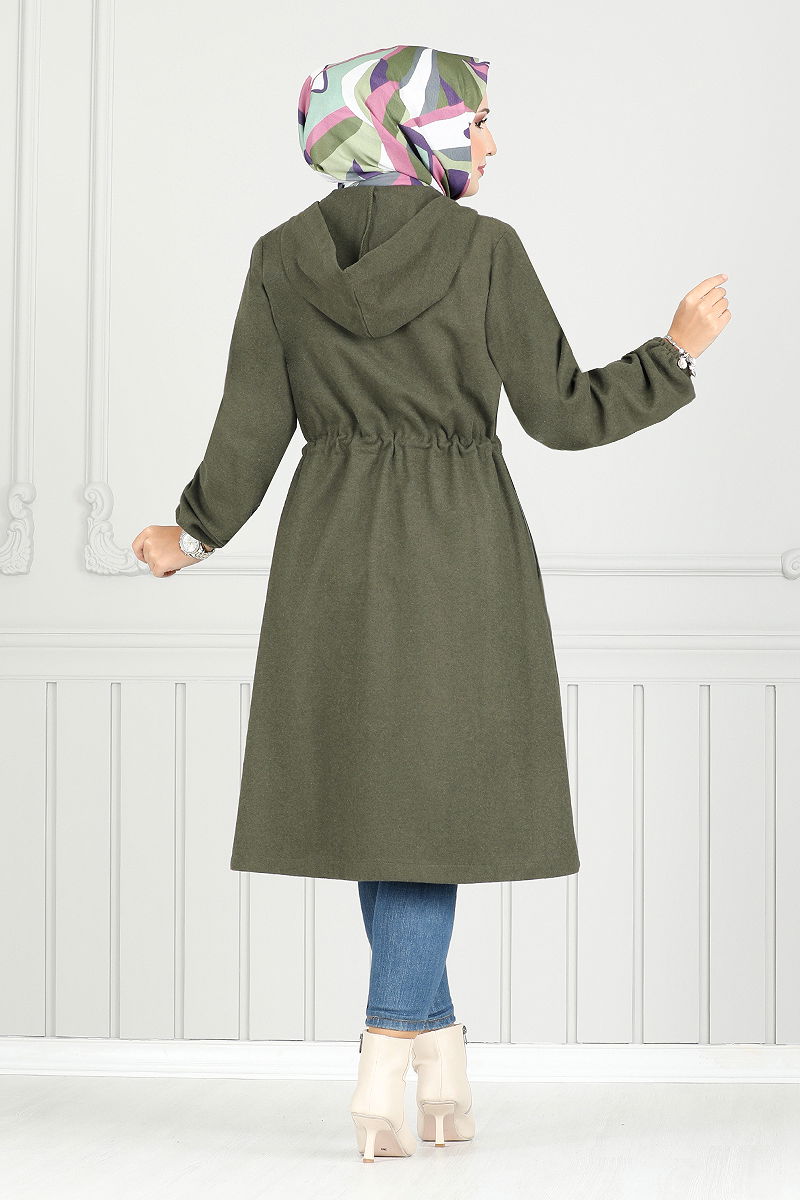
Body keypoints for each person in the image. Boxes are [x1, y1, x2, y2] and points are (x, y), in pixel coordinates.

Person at [132, 45, 731, 1163]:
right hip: (457, 543)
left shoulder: (280, 256)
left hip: (330, 545)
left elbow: (250, 424)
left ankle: (441, 1054)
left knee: (385, 800)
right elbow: (562, 414)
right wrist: (675, 356)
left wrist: (196, 531)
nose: (491, 142)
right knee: (424, 810)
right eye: (475, 121)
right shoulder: (482, 249)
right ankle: (385, 1057)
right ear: (413, 131)